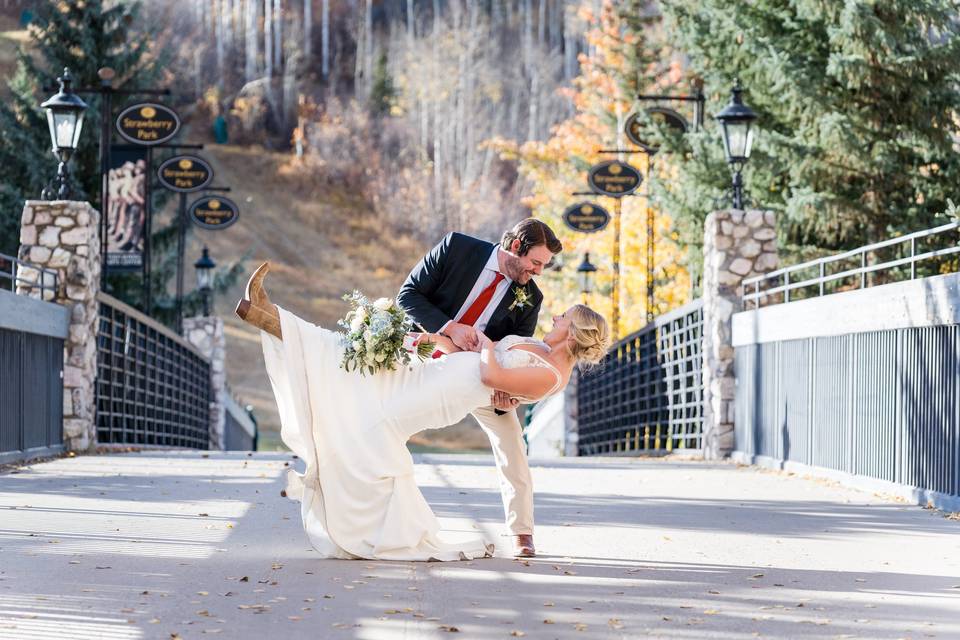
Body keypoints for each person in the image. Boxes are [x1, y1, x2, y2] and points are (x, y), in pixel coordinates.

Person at [236, 262, 609, 561]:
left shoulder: (551, 374)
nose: (556, 316)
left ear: (573, 334)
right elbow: (492, 366)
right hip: (446, 368)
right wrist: (433, 340)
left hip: (453, 390)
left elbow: (492, 372)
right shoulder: (535, 344)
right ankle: (273, 318)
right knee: (358, 362)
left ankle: (355, 508)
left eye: (564, 317)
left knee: (375, 417)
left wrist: (487, 349)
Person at [396, 218, 562, 558]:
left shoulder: (530, 297)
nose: (538, 272)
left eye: (543, 266)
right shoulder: (457, 248)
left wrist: (506, 394)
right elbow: (407, 295)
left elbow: (517, 346)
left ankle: (522, 533)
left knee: (512, 442)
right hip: (423, 354)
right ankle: (387, 514)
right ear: (516, 247)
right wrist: (450, 328)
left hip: (481, 376)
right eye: (535, 263)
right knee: (389, 422)